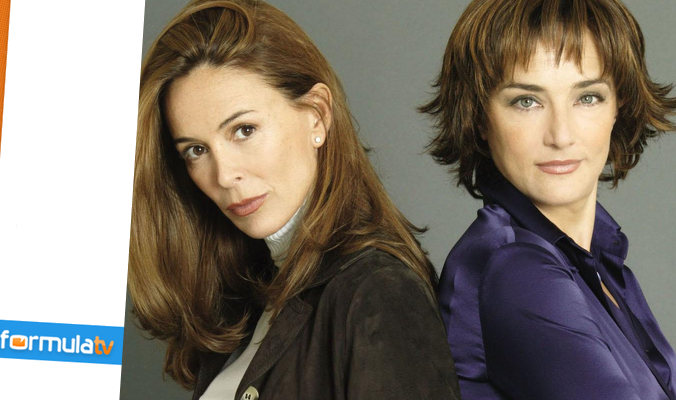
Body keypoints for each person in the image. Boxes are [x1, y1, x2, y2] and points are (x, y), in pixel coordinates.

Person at [129, 0, 461, 399]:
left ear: (317, 115)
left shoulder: (379, 293)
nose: (224, 175)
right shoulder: (249, 295)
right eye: (196, 150)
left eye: (244, 130)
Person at [420, 0, 676, 399]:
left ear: (619, 105)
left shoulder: (597, 262)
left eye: (587, 97)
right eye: (526, 101)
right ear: (481, 117)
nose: (560, 135)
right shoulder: (517, 269)